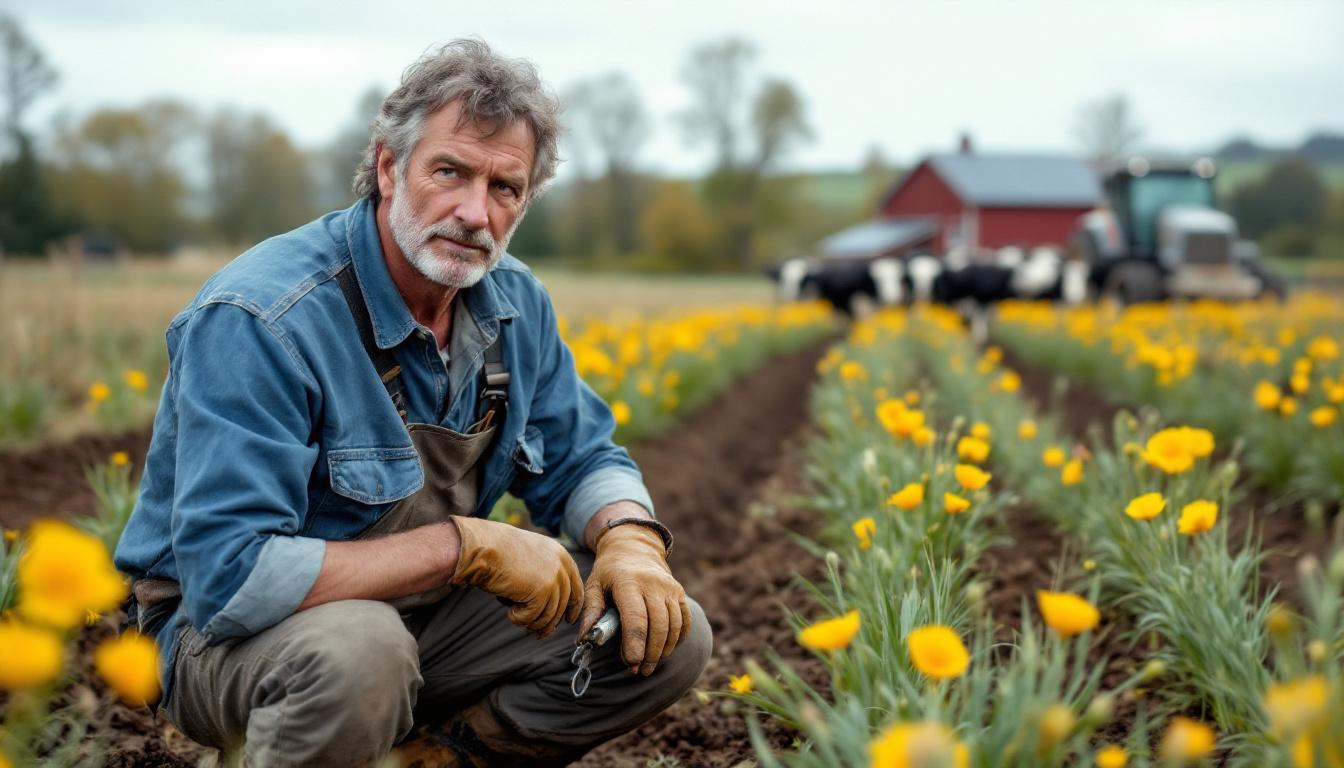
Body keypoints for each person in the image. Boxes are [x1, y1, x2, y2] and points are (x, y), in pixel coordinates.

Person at [113, 39, 711, 767]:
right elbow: (230, 578)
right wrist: (466, 547)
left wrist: (631, 540)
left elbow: (580, 454)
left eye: (504, 187)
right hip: (224, 640)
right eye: (451, 171)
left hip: (415, 621)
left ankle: (433, 756)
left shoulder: (512, 304)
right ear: (390, 168)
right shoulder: (265, 317)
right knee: (359, 655)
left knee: (660, 631)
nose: (474, 212)